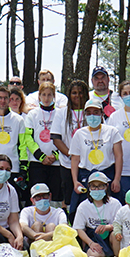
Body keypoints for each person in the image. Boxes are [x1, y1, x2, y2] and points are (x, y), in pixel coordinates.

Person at [69, 98, 123, 216]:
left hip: (107, 174)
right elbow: (75, 159)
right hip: (86, 175)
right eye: (89, 113)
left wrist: (117, 179)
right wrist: (75, 181)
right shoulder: (79, 134)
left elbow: (118, 156)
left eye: (96, 112)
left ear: (102, 114)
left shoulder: (112, 131)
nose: (92, 116)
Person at [51, 79, 88, 214]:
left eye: (80, 93)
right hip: (67, 162)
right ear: (69, 95)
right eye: (74, 93)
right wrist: (72, 155)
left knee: (86, 192)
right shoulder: (62, 113)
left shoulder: (90, 111)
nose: (77, 96)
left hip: (87, 162)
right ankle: (69, 219)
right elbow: (56, 138)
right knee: (68, 191)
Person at [25, 82, 63, 208]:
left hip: (56, 163)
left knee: (55, 196)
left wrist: (55, 155)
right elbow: (28, 138)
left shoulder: (61, 114)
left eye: (49, 95)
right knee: (38, 195)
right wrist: (40, 156)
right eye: (43, 95)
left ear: (54, 96)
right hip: (37, 163)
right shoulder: (32, 114)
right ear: (39, 96)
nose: (46, 98)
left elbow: (64, 137)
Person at [72, 172, 121, 257]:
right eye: (93, 186)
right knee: (94, 254)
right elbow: (79, 229)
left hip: (110, 236)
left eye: (100, 186)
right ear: (89, 187)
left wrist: (108, 227)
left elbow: (120, 224)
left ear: (106, 187)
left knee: (115, 235)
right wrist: (91, 243)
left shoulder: (115, 203)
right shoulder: (83, 206)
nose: (96, 189)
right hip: (93, 238)